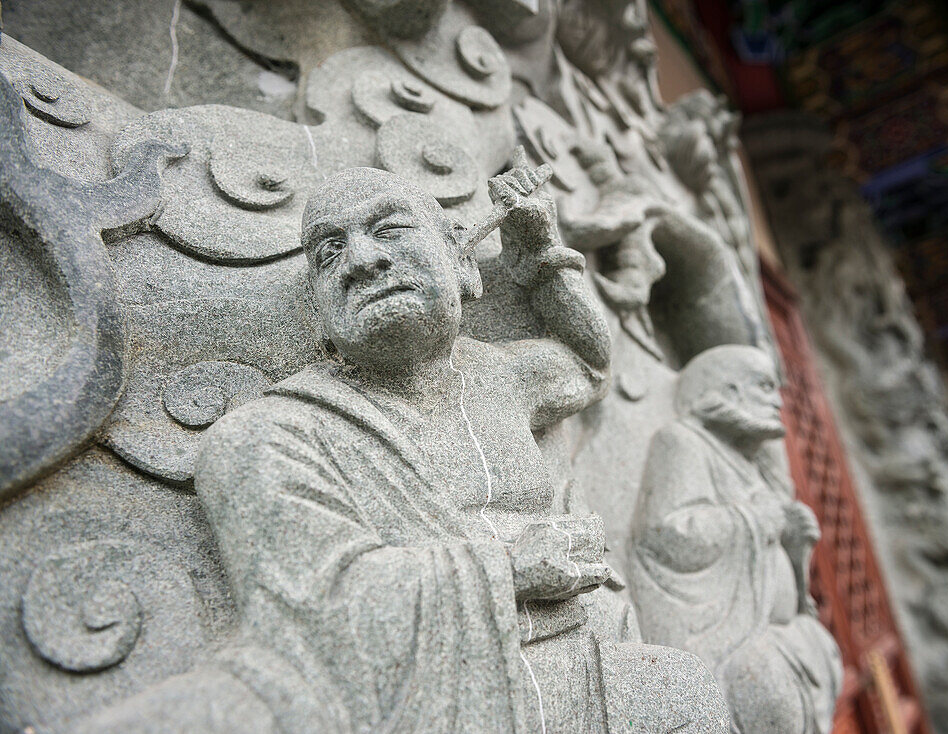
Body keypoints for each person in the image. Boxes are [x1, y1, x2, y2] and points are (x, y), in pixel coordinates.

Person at [73, 150, 729, 733]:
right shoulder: (271, 435)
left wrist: (541, 256)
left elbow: (588, 366)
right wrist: (512, 566)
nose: (362, 259)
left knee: (685, 693)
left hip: (567, 665)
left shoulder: (499, 376)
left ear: (461, 262)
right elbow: (313, 612)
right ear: (317, 307)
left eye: (389, 229)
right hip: (422, 691)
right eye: (329, 252)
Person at [631, 344, 842, 734]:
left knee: (820, 647)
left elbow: (771, 547)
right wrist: (755, 519)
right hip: (723, 635)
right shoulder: (681, 441)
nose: (778, 401)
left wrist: (793, 546)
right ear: (727, 392)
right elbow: (666, 533)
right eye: (763, 386)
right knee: (765, 686)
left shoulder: (748, 463)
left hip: (775, 629)